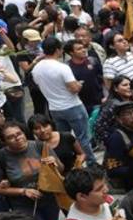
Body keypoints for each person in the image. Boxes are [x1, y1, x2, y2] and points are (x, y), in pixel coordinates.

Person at [0, 119, 60, 220]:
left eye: (19, 134)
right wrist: (23, 191)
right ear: (4, 141)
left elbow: (61, 168)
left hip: (49, 199)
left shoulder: (40, 146)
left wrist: (54, 164)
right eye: (11, 137)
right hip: (23, 205)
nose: (17, 138)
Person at [30, 36, 94, 164]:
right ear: (58, 50)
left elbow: (39, 85)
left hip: (54, 109)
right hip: (73, 106)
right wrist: (79, 84)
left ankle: (69, 162)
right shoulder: (62, 67)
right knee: (83, 138)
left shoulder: (36, 68)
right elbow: (74, 88)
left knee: (63, 138)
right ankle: (91, 162)